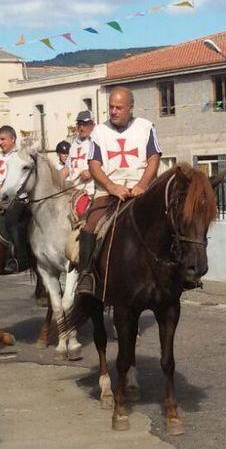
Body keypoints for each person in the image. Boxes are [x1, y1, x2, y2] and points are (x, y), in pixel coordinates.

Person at [76, 87, 161, 297]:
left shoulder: (146, 127)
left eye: (118, 107)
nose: (113, 111)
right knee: (91, 225)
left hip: (140, 189)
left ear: (130, 108)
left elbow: (153, 159)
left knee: (168, 221)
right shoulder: (99, 132)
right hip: (108, 191)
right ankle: (86, 275)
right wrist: (112, 187)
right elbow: (94, 165)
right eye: (111, 107)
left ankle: (177, 271)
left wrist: (142, 184)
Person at [0, 126, 31, 274]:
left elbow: (19, 180)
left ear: (13, 139)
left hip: (17, 198)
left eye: (3, 139)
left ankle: (19, 258)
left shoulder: (19, 157)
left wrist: (2, 188)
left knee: (11, 221)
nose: (0, 142)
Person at [65, 111, 96, 219]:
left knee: (81, 210)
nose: (82, 128)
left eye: (85, 124)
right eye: (79, 124)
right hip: (73, 189)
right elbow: (67, 168)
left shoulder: (97, 141)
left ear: (93, 125)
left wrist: (92, 172)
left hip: (92, 189)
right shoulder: (74, 144)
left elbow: (107, 163)